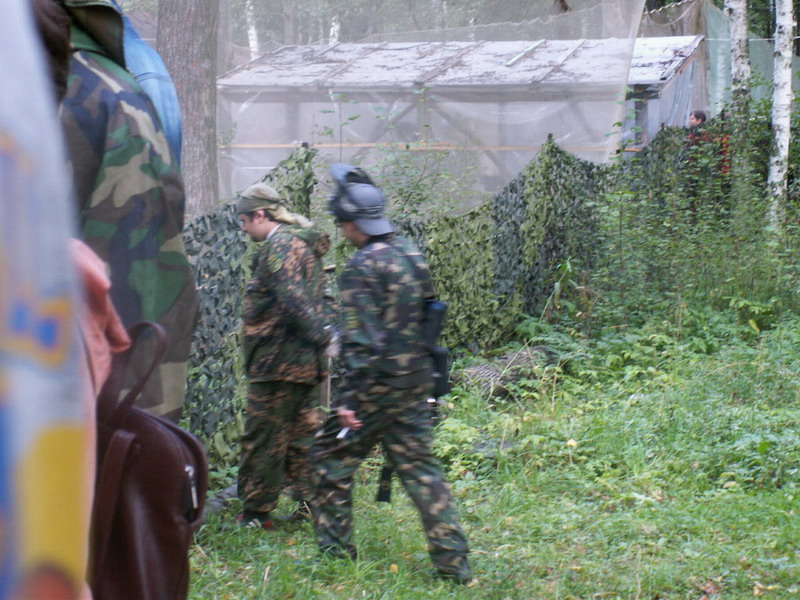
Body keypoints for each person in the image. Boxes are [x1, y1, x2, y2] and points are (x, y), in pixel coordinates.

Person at [309, 164, 473, 584]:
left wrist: (348, 402)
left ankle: (334, 555)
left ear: (352, 222)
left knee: (329, 461)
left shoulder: (362, 267)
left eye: (343, 223)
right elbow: (430, 316)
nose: (343, 230)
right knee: (421, 471)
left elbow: (363, 343)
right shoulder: (410, 254)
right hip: (414, 382)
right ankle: (454, 564)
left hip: (373, 390)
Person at [236, 182, 334, 529]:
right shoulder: (302, 244)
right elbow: (322, 299)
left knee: (264, 437)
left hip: (278, 361)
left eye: (244, 221)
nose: (243, 229)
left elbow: (293, 300)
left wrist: (324, 335)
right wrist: (326, 339)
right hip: (305, 362)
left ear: (260, 214)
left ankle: (255, 513)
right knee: (303, 435)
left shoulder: (279, 246)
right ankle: (313, 506)